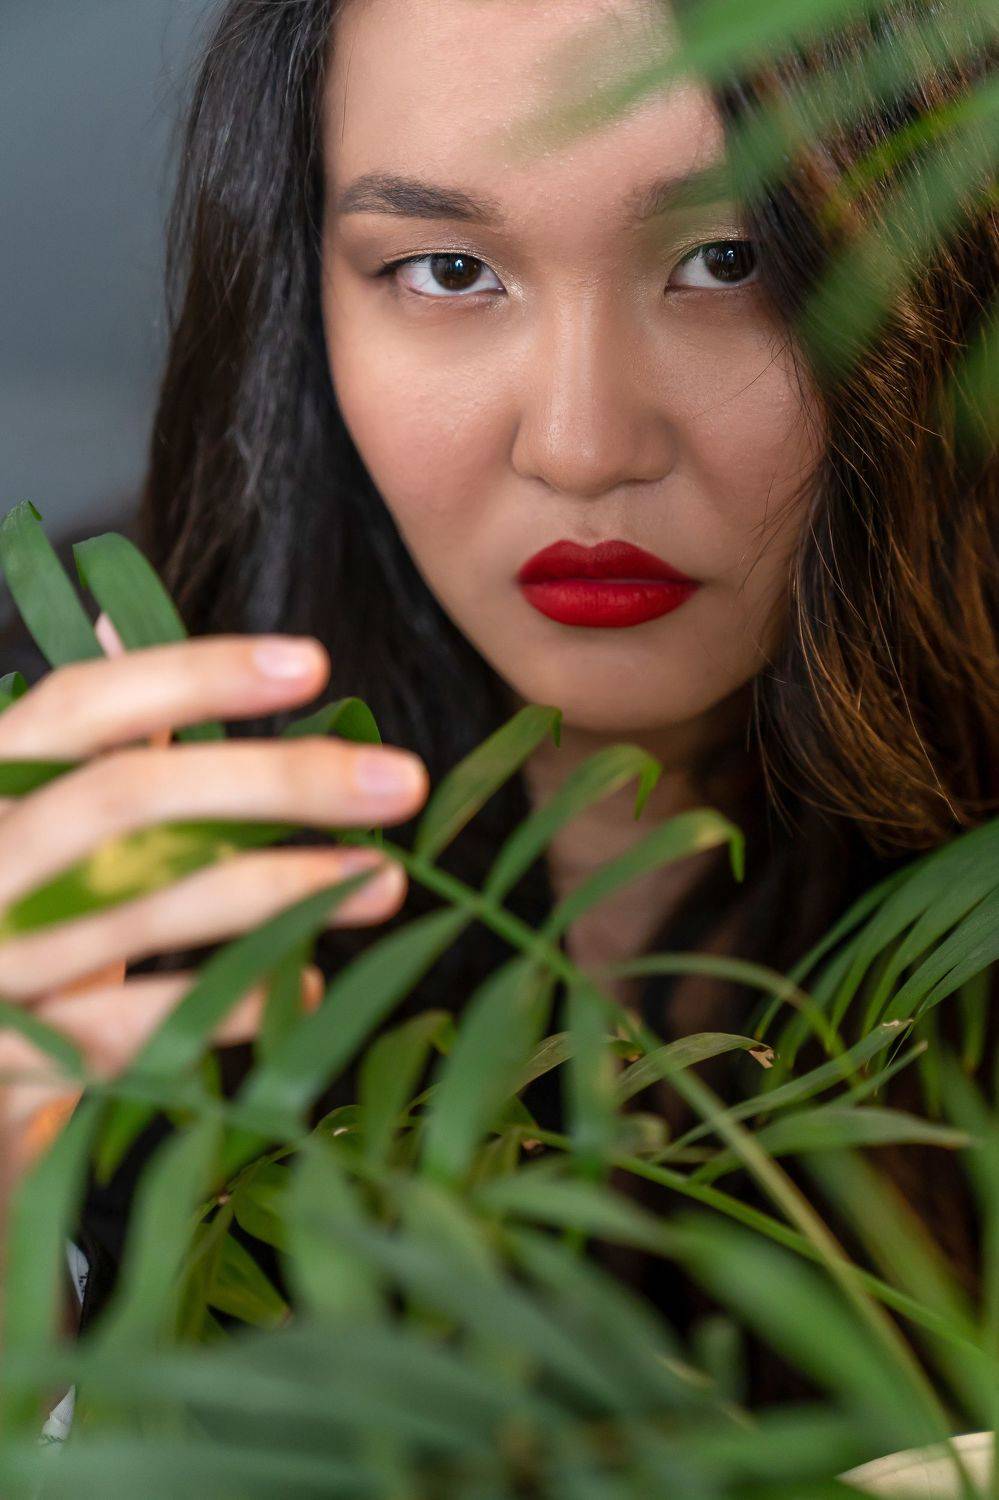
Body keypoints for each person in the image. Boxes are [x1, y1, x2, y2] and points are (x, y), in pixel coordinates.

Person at [0, 0, 995, 1417]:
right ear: (305, 292)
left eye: (730, 259)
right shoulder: (56, 771)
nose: (582, 446)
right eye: (449, 270)